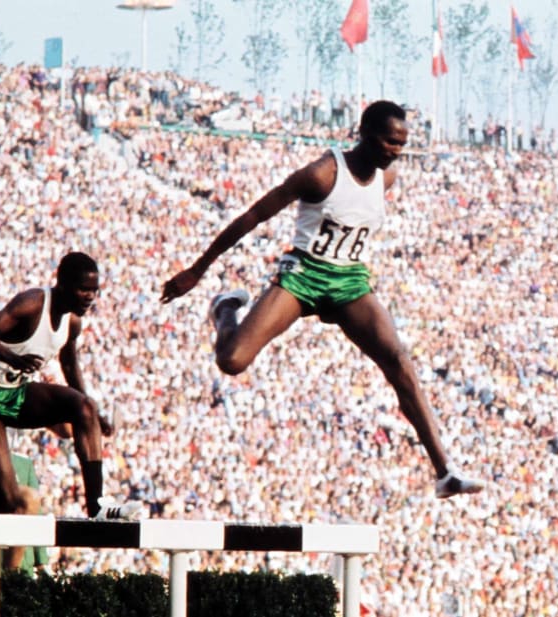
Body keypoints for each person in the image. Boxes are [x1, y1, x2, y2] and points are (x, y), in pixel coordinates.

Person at [160, 100, 485, 500]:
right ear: (363, 132)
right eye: (388, 142)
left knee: (399, 361)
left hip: (349, 282)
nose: (394, 151)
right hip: (304, 275)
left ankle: (445, 471)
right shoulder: (322, 174)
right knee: (232, 361)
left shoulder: (387, 179)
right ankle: (227, 308)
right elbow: (253, 215)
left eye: (401, 144)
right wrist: (198, 268)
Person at [0, 252, 138, 520]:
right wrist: (13, 359)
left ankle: (97, 506)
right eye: (83, 289)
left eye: (95, 291)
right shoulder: (33, 303)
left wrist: (94, 413)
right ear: (63, 285)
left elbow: (69, 364)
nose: (90, 297)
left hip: (17, 393)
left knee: (83, 407)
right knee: (8, 501)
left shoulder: (73, 322)